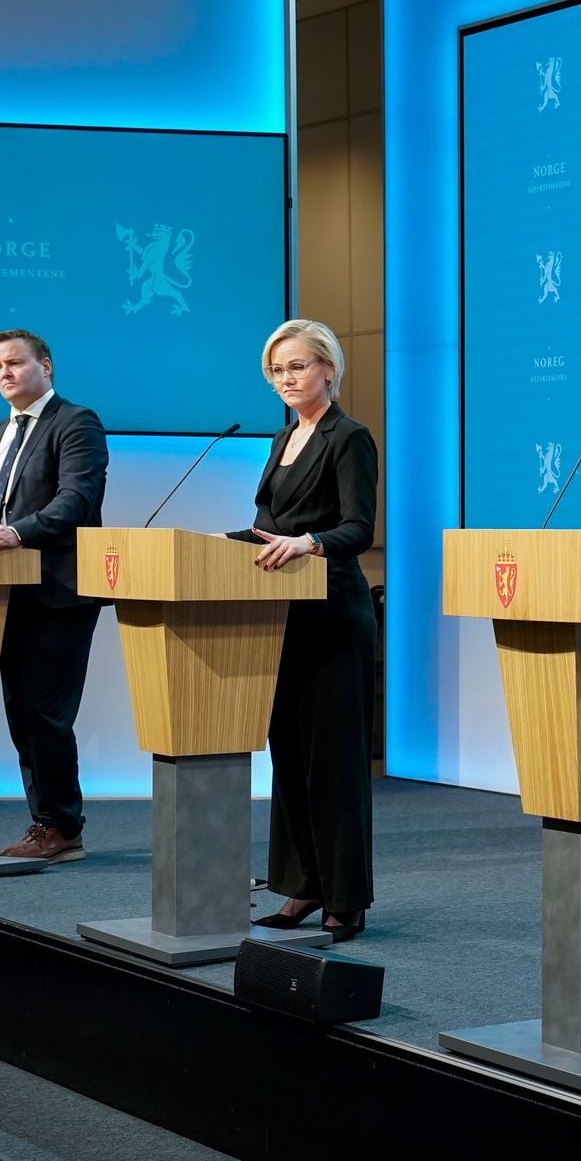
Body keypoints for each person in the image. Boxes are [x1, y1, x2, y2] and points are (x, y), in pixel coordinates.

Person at [0, 329, 107, 862]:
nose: (5, 373)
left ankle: (62, 827)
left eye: (15, 363)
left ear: (46, 365)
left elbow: (76, 500)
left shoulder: (75, 423)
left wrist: (19, 531)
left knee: (45, 714)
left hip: (58, 591)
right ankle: (46, 822)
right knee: (20, 715)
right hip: (2, 592)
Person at [240, 320, 378, 942]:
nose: (287, 379)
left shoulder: (348, 438)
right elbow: (270, 521)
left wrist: (310, 542)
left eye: (297, 367)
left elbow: (358, 530)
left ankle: (344, 899)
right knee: (289, 758)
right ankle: (300, 887)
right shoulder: (281, 440)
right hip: (281, 618)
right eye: (278, 371)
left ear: (328, 369)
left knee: (333, 764)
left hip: (332, 617)